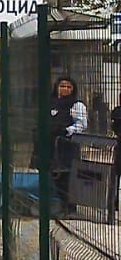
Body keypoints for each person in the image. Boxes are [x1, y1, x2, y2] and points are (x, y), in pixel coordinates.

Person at [52, 76, 88, 214]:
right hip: (51, 145)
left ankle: (70, 207)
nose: (65, 89)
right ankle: (61, 204)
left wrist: (67, 131)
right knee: (54, 174)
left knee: (67, 175)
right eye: (62, 86)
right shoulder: (50, 103)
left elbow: (81, 124)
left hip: (67, 145)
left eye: (68, 87)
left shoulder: (76, 105)